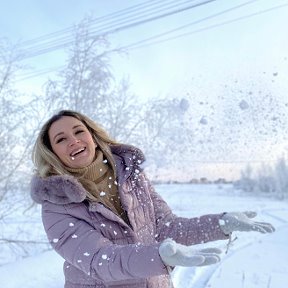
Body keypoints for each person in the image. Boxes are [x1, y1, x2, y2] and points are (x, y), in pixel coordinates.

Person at [30, 110, 275, 288]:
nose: (73, 140)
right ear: (53, 154)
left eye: (78, 131)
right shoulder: (56, 205)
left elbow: (169, 227)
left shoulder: (132, 178)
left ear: (93, 136)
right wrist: (159, 257)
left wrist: (221, 223)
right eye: (61, 139)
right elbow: (98, 260)